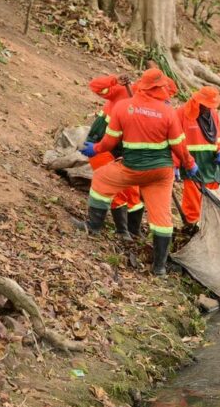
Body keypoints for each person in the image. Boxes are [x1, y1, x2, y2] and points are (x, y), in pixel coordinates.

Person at [81, 68, 197, 276]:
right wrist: (189, 164)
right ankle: (159, 267)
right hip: (161, 173)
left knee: (101, 178)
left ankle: (93, 227)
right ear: (161, 89)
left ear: (142, 85)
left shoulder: (124, 107)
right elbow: (178, 146)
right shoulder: (168, 112)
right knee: (162, 217)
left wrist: (95, 149)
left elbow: (110, 141)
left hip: (132, 168)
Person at [83, 75, 144, 238]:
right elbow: (95, 85)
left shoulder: (153, 106)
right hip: (106, 142)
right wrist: (115, 80)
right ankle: (125, 231)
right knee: (121, 187)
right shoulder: (124, 90)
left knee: (123, 189)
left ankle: (129, 231)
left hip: (118, 147)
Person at [178, 86, 220, 226]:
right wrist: (176, 165)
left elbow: (219, 135)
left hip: (212, 164)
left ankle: (212, 229)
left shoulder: (213, 114)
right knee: (193, 203)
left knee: (214, 203)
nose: (209, 108)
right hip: (192, 164)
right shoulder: (182, 113)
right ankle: (193, 229)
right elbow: (175, 141)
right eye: (207, 105)